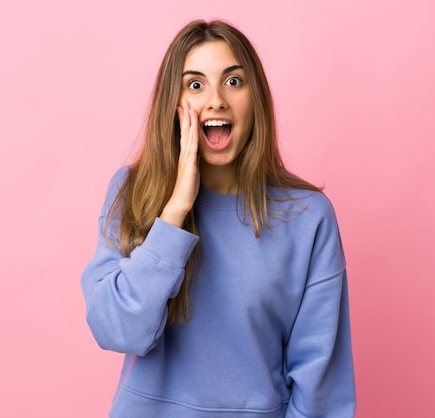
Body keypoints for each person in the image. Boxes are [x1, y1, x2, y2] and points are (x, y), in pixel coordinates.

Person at [81, 19, 356, 418]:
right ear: (172, 104)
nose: (215, 101)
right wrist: (174, 212)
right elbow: (117, 330)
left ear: (255, 98)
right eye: (195, 85)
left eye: (232, 82)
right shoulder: (133, 192)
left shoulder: (307, 217)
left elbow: (322, 390)